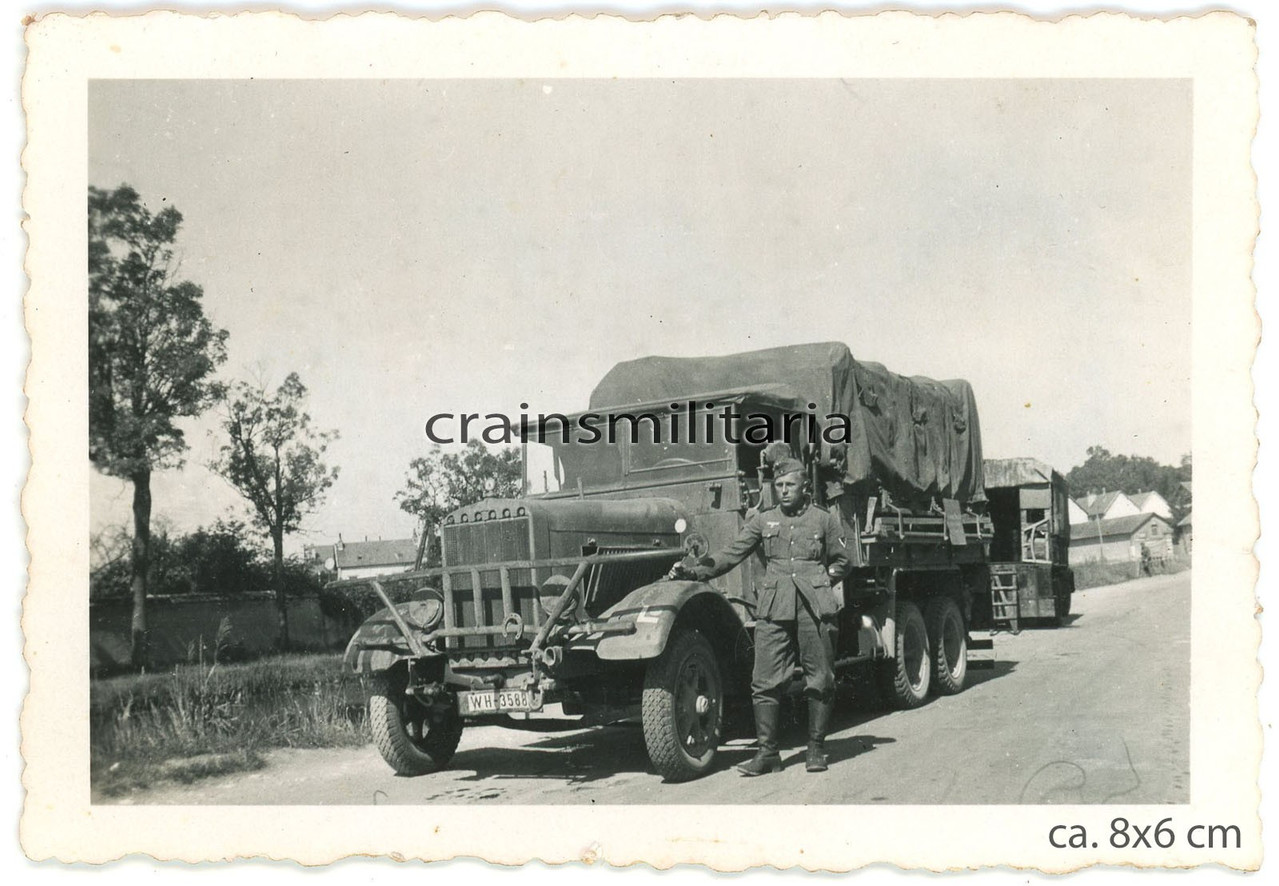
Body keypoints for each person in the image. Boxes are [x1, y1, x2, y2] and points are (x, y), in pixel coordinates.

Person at [671, 458, 850, 775]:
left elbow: (842, 559)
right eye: (778, 485)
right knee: (763, 680)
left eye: (790, 485)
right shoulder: (763, 520)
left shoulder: (824, 520)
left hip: (814, 608)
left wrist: (822, 581)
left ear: (805, 486)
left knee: (820, 678)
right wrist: (695, 571)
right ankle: (768, 753)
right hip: (774, 607)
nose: (783, 491)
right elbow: (731, 554)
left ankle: (816, 749)